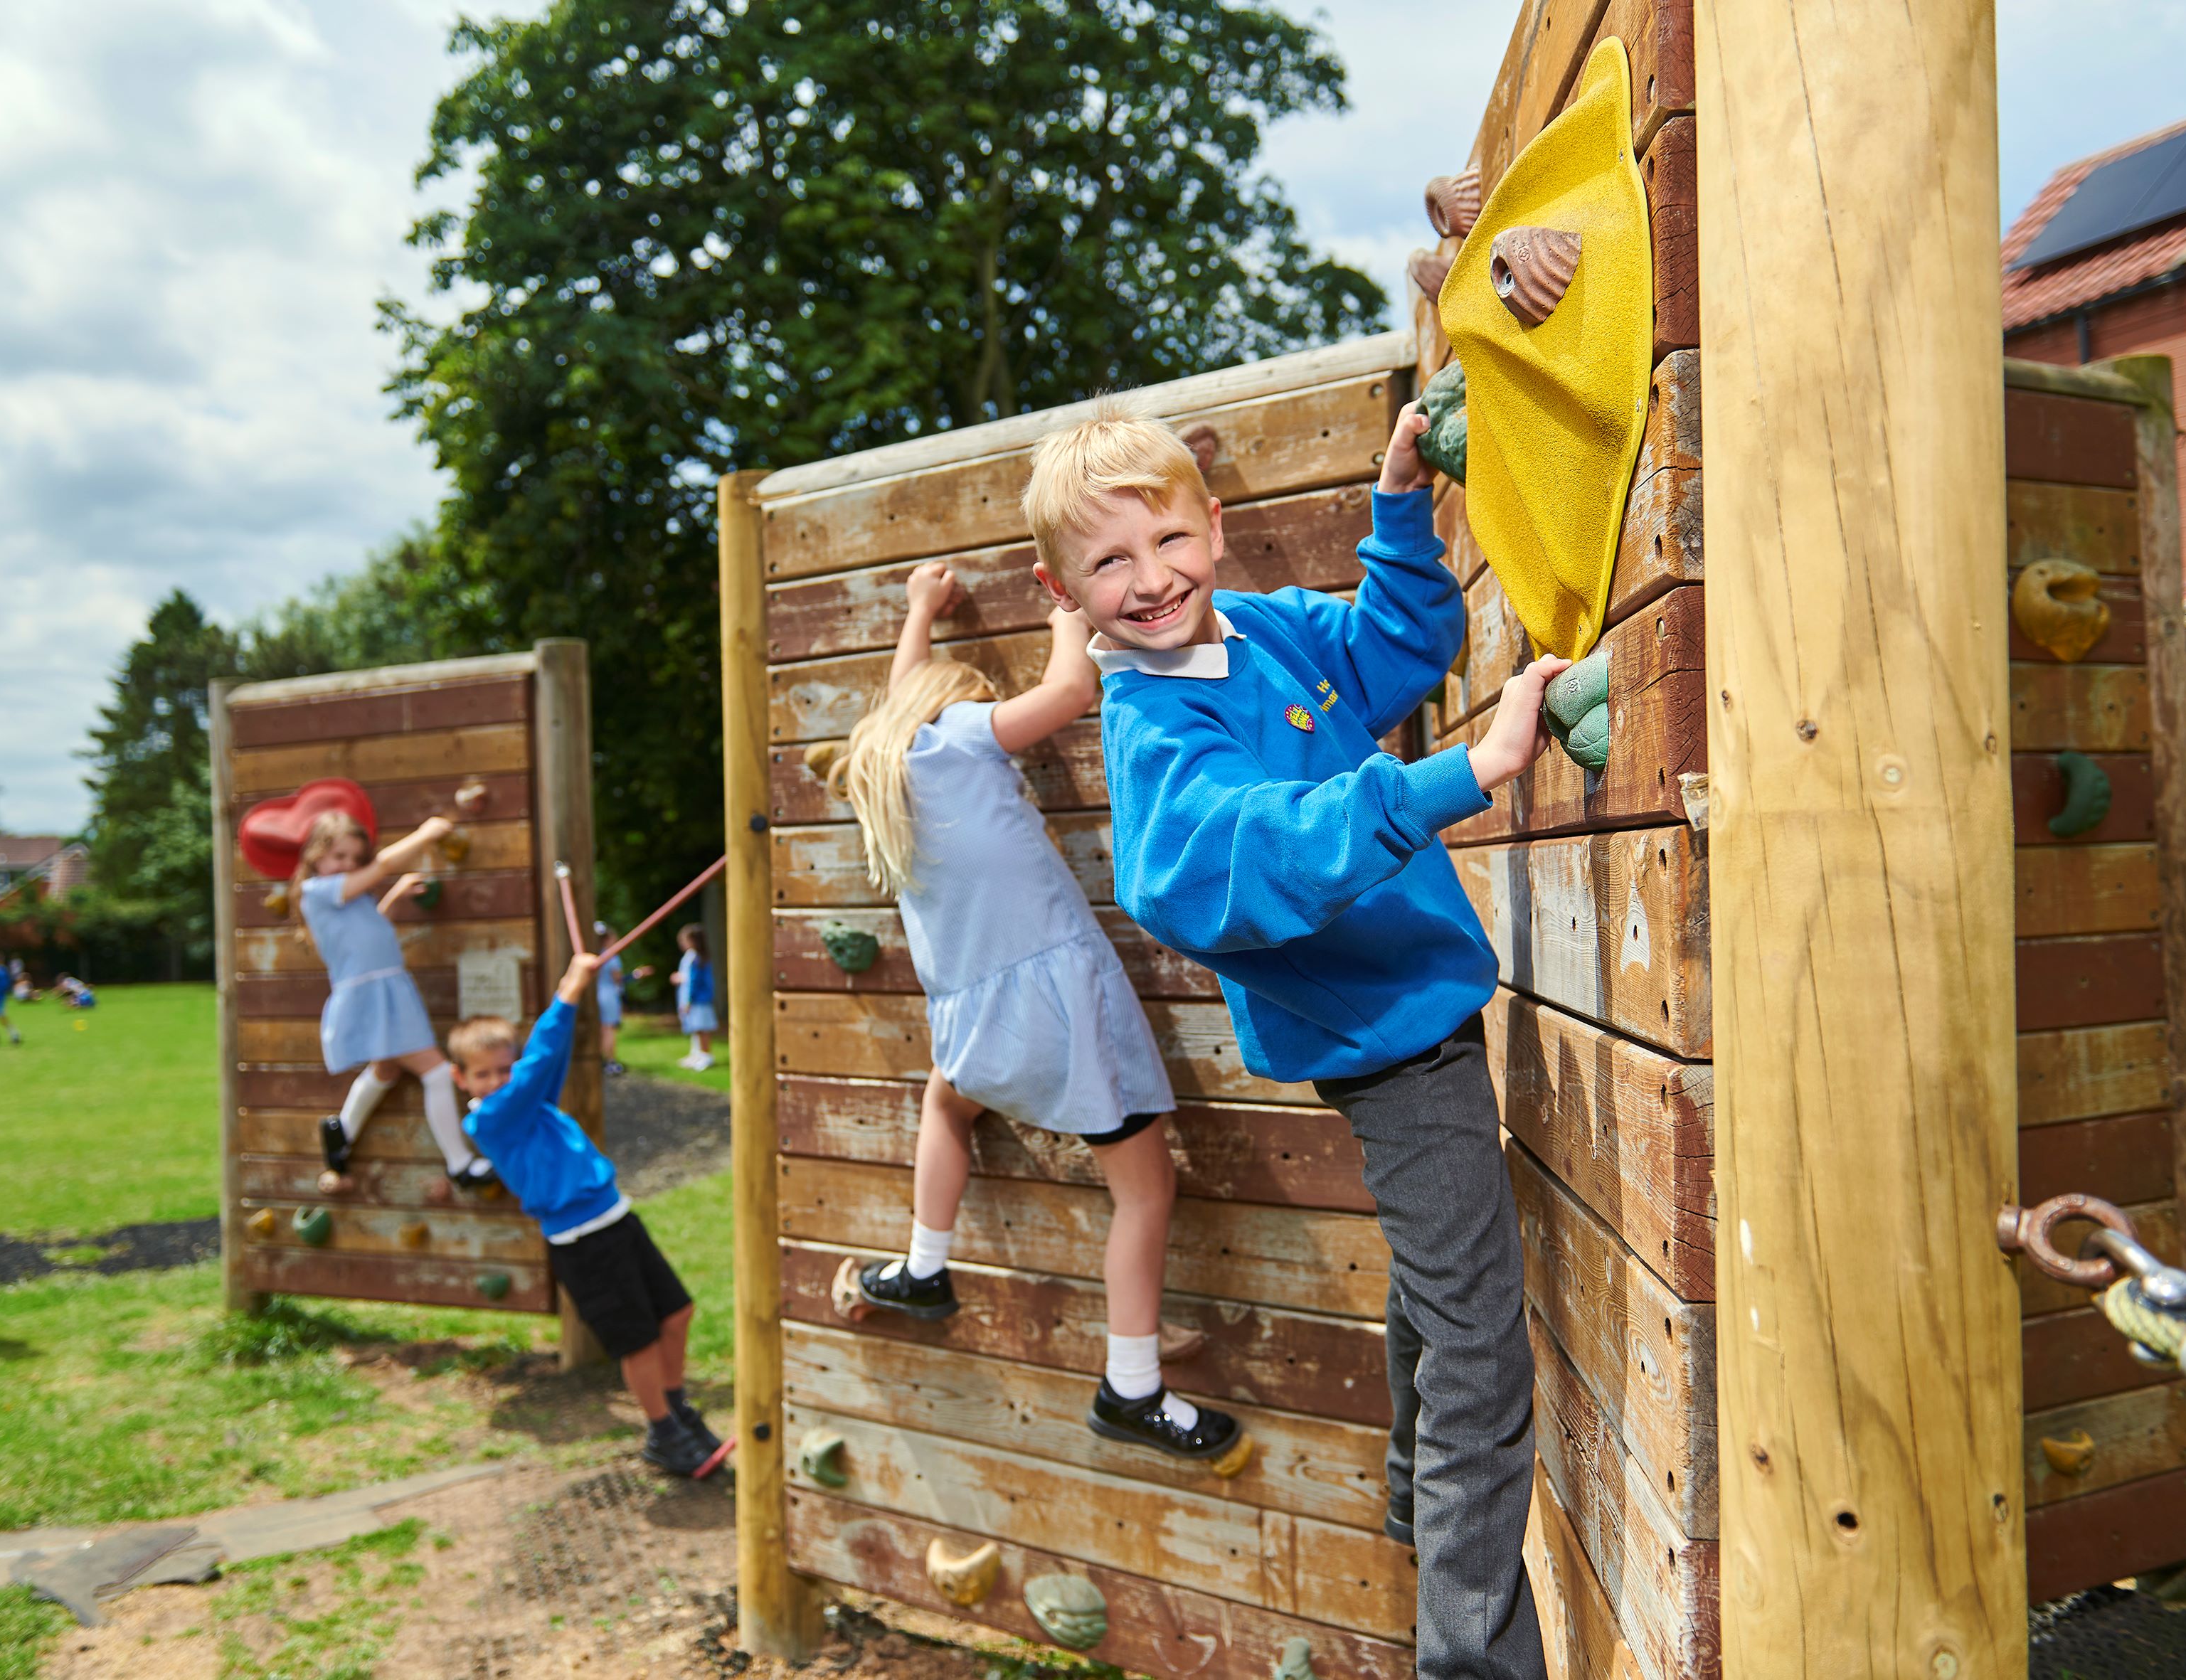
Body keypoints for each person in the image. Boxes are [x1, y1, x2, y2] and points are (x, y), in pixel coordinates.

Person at [1029, 395, 1567, 1676]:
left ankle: (1411, 1502)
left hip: (1414, 997)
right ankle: (1470, 1660)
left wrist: (1398, 501)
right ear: (1061, 591)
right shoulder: (1156, 733)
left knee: (1438, 1278)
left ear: (1213, 527)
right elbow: (1245, 854)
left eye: (1167, 539)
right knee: (1481, 1350)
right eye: (1108, 563)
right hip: (1382, 1040)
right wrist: (1465, 773)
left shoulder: (1259, 627)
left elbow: (1399, 644)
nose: (1149, 580)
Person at [816, 565, 1239, 1462]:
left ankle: (923, 1265)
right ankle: (1132, 1387)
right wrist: (1063, 617)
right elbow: (1070, 690)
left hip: (973, 1027)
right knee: (1145, 1190)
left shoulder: (889, 770)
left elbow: (905, 692)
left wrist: (920, 611)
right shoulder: (964, 734)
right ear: (954, 708)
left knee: (945, 1103)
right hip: (1059, 1012)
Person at [452, 952, 730, 1478]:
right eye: (482, 1074)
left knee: (676, 1313)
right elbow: (540, 1062)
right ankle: (662, 1433)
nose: (497, 1081)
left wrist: (571, 1003)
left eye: (504, 1069)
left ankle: (677, 1409)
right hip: (582, 1241)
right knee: (637, 1342)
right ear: (460, 1079)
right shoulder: (493, 1119)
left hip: (614, 1219)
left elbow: (547, 1063)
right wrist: (570, 991)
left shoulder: (527, 1103)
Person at [292, 809, 494, 1188]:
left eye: (355, 859)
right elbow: (383, 864)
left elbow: (371, 928)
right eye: (339, 856)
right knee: (436, 1071)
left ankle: (341, 1134)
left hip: (384, 991)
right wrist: (425, 834)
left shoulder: (353, 899)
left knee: (386, 1070)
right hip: (371, 995)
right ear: (315, 856)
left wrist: (396, 897)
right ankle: (460, 1163)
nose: (348, 865)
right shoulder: (317, 892)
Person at [671, 925, 716, 1072]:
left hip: (698, 1000)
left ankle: (706, 1056)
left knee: (702, 1028)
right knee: (695, 1028)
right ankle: (697, 1054)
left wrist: (688, 1000)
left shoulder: (696, 958)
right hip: (694, 999)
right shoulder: (691, 956)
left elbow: (693, 981)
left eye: (685, 940)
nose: (682, 943)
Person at [592, 925, 627, 1077]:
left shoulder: (595, 955)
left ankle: (599, 1060)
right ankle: (611, 1061)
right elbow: (618, 978)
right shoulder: (611, 956)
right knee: (609, 1030)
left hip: (597, 994)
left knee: (601, 1030)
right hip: (609, 995)